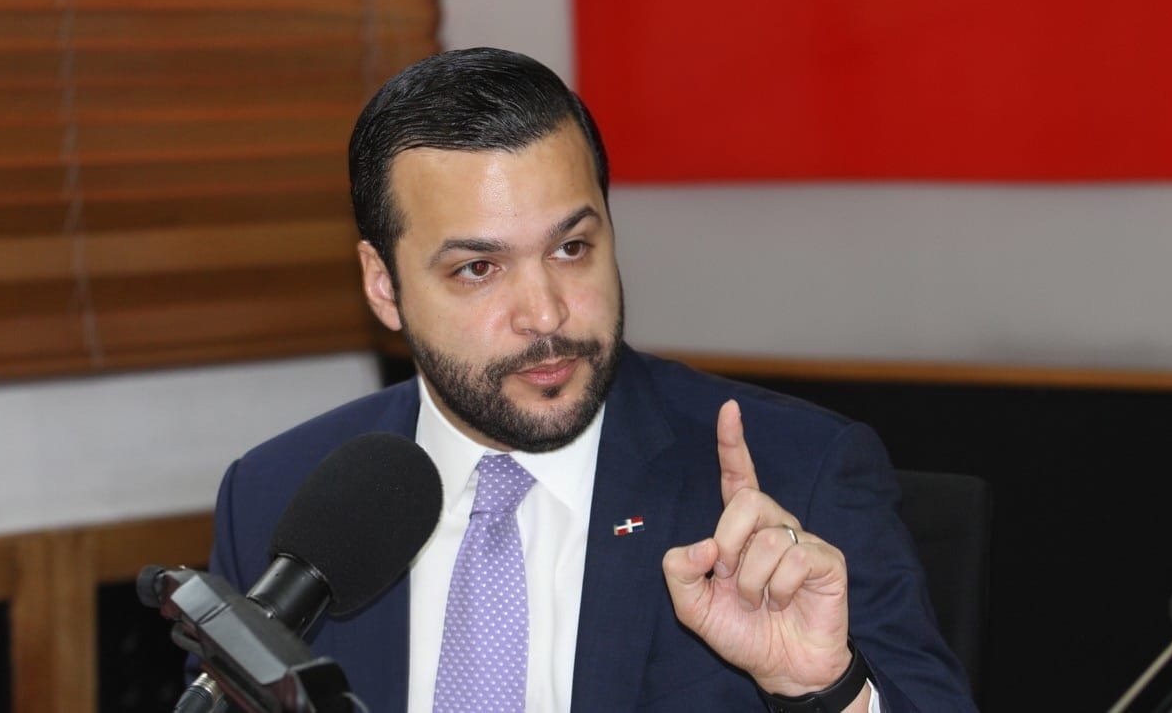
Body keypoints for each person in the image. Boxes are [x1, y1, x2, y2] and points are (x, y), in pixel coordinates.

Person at [205, 47, 976, 711]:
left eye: (570, 248)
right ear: (384, 285)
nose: (545, 313)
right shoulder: (275, 504)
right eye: (478, 268)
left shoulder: (798, 475)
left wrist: (825, 692)